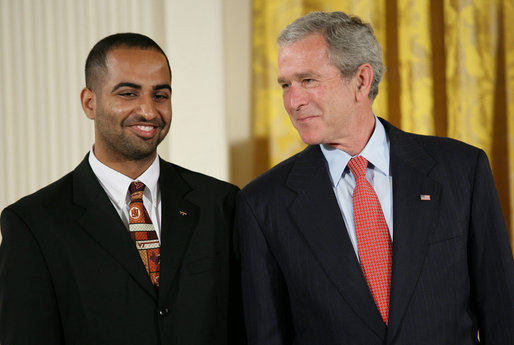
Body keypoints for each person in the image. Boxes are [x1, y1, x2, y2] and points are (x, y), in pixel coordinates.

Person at [236, 11, 514, 345]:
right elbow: (267, 335)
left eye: (308, 80)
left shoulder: (461, 170)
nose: (293, 101)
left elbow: (502, 313)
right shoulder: (263, 203)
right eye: (286, 85)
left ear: (361, 80)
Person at [0, 33, 244, 345]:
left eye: (160, 95)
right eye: (128, 94)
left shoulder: (222, 203)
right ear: (90, 103)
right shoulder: (33, 223)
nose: (148, 111)